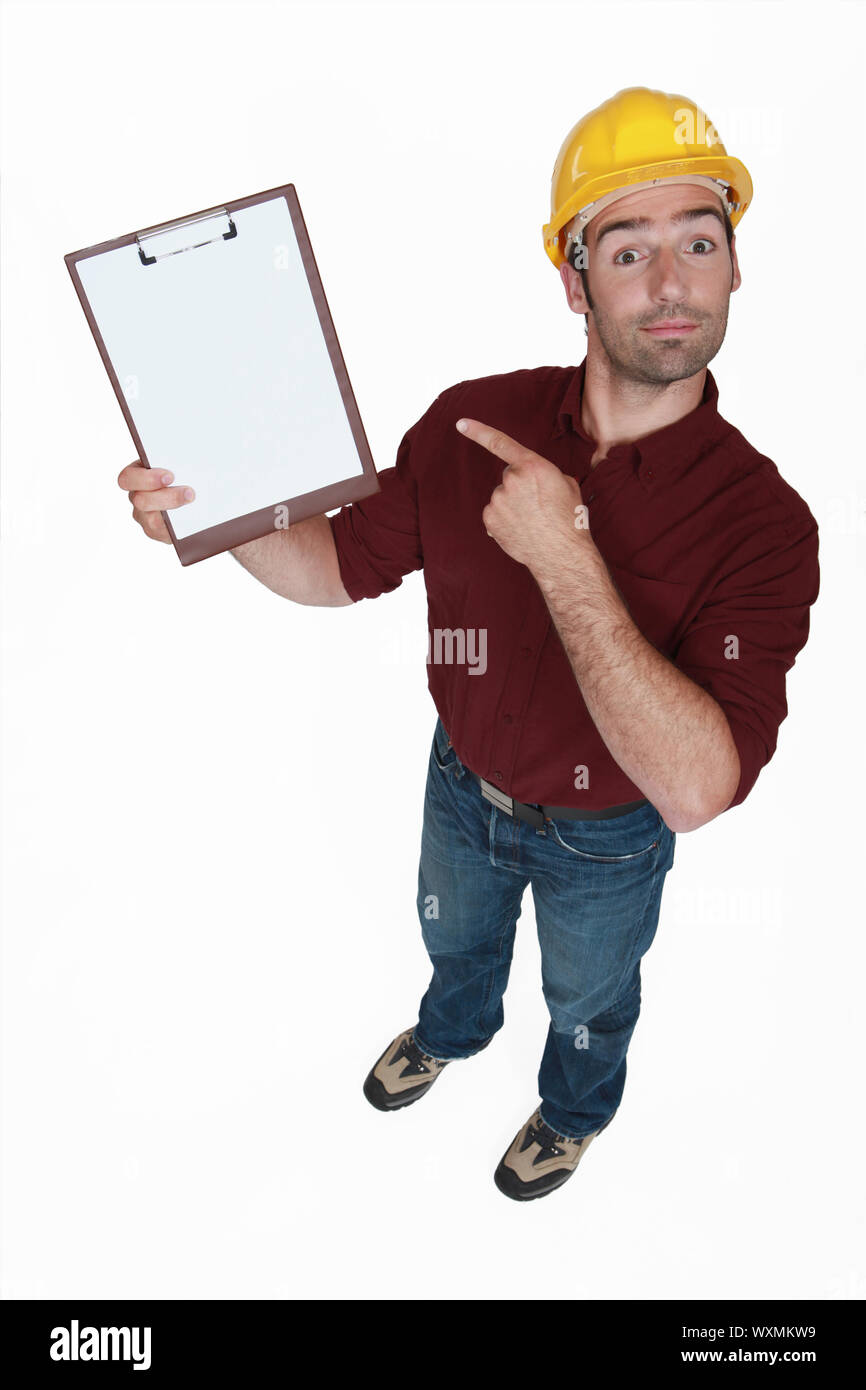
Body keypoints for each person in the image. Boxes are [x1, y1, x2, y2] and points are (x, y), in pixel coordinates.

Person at [118, 87, 820, 1202]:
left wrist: (564, 556)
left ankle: (572, 1111)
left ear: (734, 267)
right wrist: (213, 512)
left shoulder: (764, 525)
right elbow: (333, 567)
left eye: (698, 240)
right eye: (624, 248)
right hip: (460, 790)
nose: (668, 280)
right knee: (453, 947)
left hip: (609, 840)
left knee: (590, 1001)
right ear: (570, 279)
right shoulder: (468, 422)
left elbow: (693, 788)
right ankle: (449, 1033)